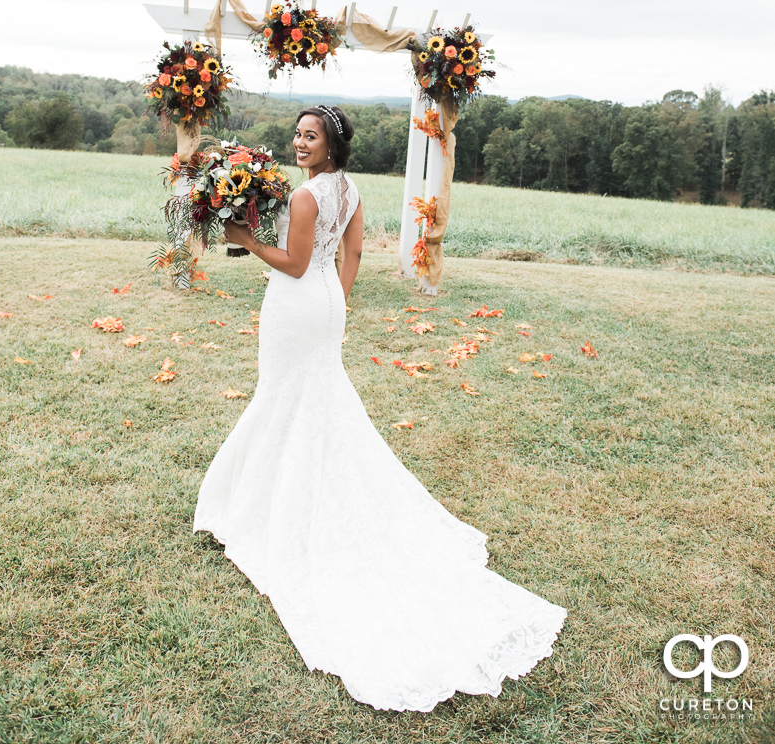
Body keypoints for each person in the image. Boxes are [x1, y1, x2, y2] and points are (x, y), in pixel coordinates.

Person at [193, 104, 566, 713]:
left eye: (310, 135)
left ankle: (263, 506)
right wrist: (330, 305)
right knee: (308, 400)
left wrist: (244, 240)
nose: (298, 141)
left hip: (293, 306)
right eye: (297, 133)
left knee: (282, 398)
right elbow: (353, 257)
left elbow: (290, 261)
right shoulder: (351, 189)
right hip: (324, 306)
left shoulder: (312, 196)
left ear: (331, 145)